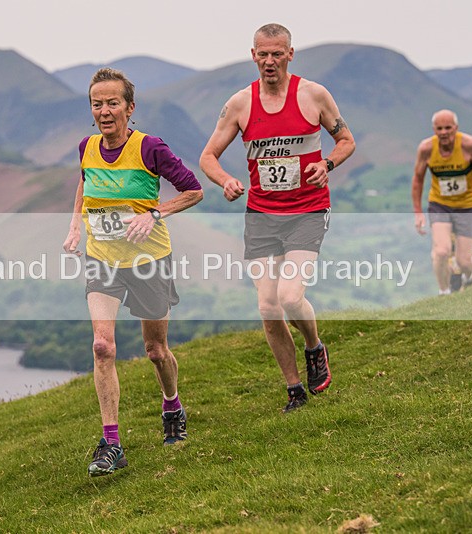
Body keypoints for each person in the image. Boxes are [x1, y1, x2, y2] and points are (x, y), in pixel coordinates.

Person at [199, 23, 356, 412]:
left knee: (289, 296)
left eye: (277, 53)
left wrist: (327, 163)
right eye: (262, 54)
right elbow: (207, 157)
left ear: (290, 54)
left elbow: (347, 140)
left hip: (307, 209)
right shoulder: (239, 104)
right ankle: (294, 391)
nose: (270, 61)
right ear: (253, 55)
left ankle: (314, 347)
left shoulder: (313, 95)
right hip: (262, 215)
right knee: (268, 307)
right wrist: (226, 181)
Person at [63, 68, 203, 476]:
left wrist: (155, 213)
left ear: (129, 107)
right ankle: (111, 443)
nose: (104, 111)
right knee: (102, 346)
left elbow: (193, 189)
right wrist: (75, 223)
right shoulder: (86, 147)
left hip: (148, 262)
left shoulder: (150, 148)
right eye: (97, 104)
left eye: (112, 103)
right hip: (103, 259)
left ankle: (172, 404)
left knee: (155, 350)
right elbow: (86, 182)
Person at [412, 109, 472, 295]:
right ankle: (444, 292)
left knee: (464, 261)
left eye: (448, 128)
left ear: (456, 128)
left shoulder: (469, 145)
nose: (444, 132)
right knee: (441, 251)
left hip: (466, 206)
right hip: (439, 204)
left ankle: (468, 276)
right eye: (439, 128)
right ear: (434, 129)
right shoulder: (426, 149)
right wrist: (417, 211)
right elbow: (417, 179)